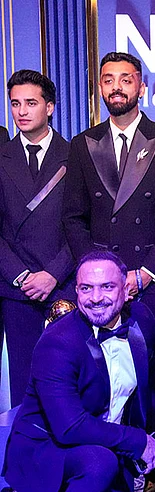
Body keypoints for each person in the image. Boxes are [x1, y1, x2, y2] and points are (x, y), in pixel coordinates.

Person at [62, 51, 155, 492]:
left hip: (149, 280)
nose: (116, 87)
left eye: (126, 79)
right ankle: (108, 469)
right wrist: (97, 278)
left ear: (141, 87)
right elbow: (73, 217)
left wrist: (145, 272)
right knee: (98, 377)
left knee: (152, 375)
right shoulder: (83, 144)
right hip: (99, 288)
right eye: (108, 80)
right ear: (100, 88)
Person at [1, 250, 155, 492]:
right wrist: (137, 440)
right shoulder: (57, 343)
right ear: (77, 291)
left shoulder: (142, 318)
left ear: (126, 290)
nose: (96, 298)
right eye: (86, 288)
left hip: (108, 445)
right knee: (100, 462)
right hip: (47, 451)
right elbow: (69, 427)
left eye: (107, 287)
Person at [0, 70, 75, 406]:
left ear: (50, 107)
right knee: (23, 388)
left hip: (64, 285)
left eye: (31, 102)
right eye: (15, 103)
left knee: (68, 385)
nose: (22, 111)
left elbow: (83, 225)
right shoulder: (1, 157)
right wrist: (21, 276)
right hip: (16, 289)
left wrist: (53, 273)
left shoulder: (77, 154)